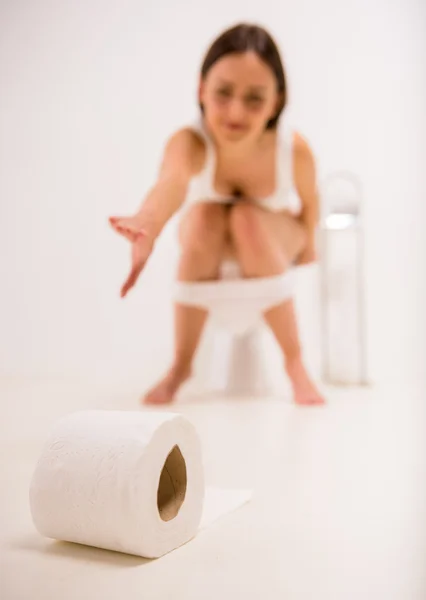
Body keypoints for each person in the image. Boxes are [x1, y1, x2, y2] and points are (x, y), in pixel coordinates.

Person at [109, 23, 325, 406]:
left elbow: (311, 206)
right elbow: (171, 183)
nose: (235, 111)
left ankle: (295, 364)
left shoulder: (294, 150)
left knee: (247, 218)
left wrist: (309, 249)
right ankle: (181, 366)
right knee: (206, 216)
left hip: (273, 240)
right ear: (200, 89)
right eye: (223, 93)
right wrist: (149, 222)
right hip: (210, 246)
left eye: (254, 99)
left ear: (276, 102)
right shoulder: (189, 142)